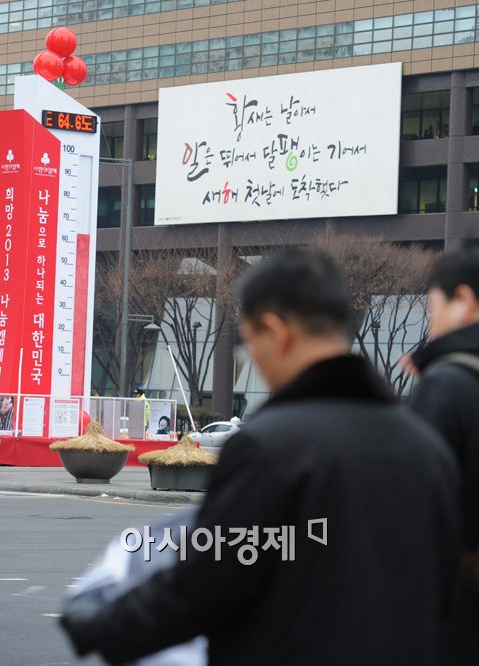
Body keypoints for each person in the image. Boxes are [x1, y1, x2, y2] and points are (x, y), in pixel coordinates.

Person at [61, 250, 461, 666]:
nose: (252, 355)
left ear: (274, 330)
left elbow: (205, 583)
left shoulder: (270, 448)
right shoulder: (428, 450)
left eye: (249, 342)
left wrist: (101, 622)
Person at [404, 246, 479, 665]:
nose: (431, 324)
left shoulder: (448, 387)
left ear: (463, 301)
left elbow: (413, 520)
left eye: (433, 307)